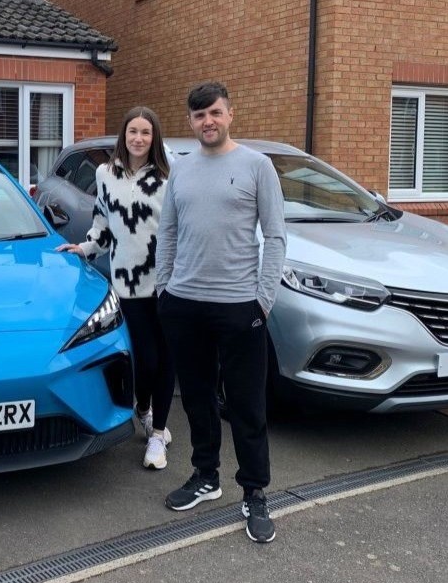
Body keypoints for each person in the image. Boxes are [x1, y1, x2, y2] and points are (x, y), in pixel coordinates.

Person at [155, 82, 286, 543]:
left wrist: (263, 300)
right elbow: (168, 232)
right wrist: (164, 290)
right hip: (184, 304)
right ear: (191, 121)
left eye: (214, 112)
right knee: (196, 397)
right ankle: (205, 475)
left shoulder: (257, 166)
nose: (207, 121)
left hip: (239, 307)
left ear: (230, 114)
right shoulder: (181, 170)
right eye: (198, 115)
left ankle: (254, 491)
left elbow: (276, 236)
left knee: (247, 404)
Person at [57, 106, 176, 470]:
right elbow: (103, 223)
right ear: (124, 136)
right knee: (144, 358)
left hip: (169, 282)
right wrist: (86, 247)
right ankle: (144, 407)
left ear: (154, 138)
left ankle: (158, 434)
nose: (138, 138)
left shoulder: (170, 176)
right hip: (129, 282)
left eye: (146, 132)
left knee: (167, 358)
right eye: (132, 131)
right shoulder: (106, 174)